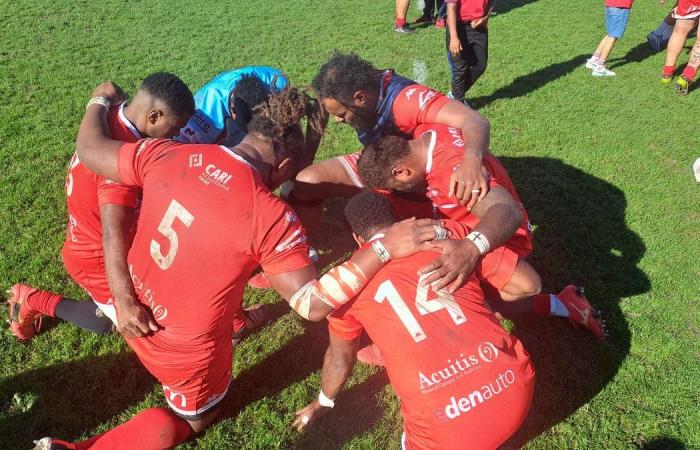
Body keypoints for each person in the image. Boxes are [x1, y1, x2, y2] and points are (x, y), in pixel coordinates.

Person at [31, 82, 442, 450]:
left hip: (131, 311)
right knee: (190, 420)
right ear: (284, 168)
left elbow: (90, 149)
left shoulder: (167, 152)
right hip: (183, 352)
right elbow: (311, 304)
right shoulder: (274, 220)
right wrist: (383, 248)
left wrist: (99, 100)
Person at [293, 191, 536, 449]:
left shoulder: (345, 287)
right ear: (401, 221)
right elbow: (528, 285)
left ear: (357, 238)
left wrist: (323, 401)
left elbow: (341, 359)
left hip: (447, 430)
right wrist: (478, 300)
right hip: (516, 390)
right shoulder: (448, 232)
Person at [356, 125, 607, 340]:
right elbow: (474, 120)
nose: (400, 191)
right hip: (484, 227)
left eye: (396, 187)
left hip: (503, 238)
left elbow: (506, 212)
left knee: (457, 288)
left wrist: (470, 248)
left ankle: (426, 331)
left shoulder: (450, 177)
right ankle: (564, 303)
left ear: (401, 172)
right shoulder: (429, 130)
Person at [8, 73, 194, 341]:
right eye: (175, 127)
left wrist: (99, 98)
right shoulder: (120, 158)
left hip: (89, 235)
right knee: (130, 323)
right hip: (96, 257)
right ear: (153, 116)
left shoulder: (110, 114)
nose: (176, 135)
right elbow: (112, 233)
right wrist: (124, 300)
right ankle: (33, 300)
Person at [292, 51, 491, 233]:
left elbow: (474, 120)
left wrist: (472, 161)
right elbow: (323, 108)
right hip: (383, 164)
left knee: (382, 229)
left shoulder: (404, 102)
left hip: (419, 175)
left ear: (360, 98)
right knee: (307, 181)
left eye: (342, 114)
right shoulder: (349, 91)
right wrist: (304, 159)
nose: (338, 120)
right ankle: (303, 246)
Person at [445, 0, 493, 102]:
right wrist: (454, 37)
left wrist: (486, 18)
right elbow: (451, 7)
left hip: (479, 26)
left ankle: (455, 94)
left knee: (480, 65)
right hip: (458, 26)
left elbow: (492, 2)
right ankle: (458, 103)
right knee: (460, 68)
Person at [585, 0, 634, 77]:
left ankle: (594, 59)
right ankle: (599, 68)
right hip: (621, 6)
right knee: (613, 36)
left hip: (610, 4)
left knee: (610, 34)